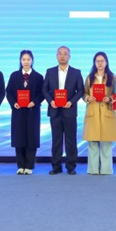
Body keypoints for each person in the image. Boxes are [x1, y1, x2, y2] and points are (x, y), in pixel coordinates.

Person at [42, 46, 84, 175]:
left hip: (69, 110)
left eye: (65, 54)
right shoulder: (50, 71)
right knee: (56, 140)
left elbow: (80, 90)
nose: (62, 56)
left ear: (69, 56)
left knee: (71, 139)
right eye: (60, 53)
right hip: (55, 110)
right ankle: (56, 166)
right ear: (56, 56)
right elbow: (45, 89)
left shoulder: (76, 72)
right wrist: (51, 101)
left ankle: (71, 166)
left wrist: (71, 102)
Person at [6, 50, 44, 175]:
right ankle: (20, 165)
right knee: (19, 137)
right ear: (20, 61)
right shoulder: (14, 76)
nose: (26, 62)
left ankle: (29, 165)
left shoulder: (38, 77)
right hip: (18, 111)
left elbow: (42, 93)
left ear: (32, 60)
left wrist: (35, 102)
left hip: (33, 111)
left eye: (28, 59)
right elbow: (9, 92)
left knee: (31, 137)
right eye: (24, 59)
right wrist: (13, 103)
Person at [82, 52, 116, 175]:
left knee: (106, 142)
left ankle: (106, 169)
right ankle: (93, 169)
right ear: (94, 63)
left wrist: (110, 98)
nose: (100, 63)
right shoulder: (90, 77)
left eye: (102, 61)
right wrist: (88, 98)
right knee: (92, 142)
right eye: (97, 61)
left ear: (106, 62)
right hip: (93, 111)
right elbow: (84, 93)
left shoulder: (112, 77)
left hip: (107, 111)